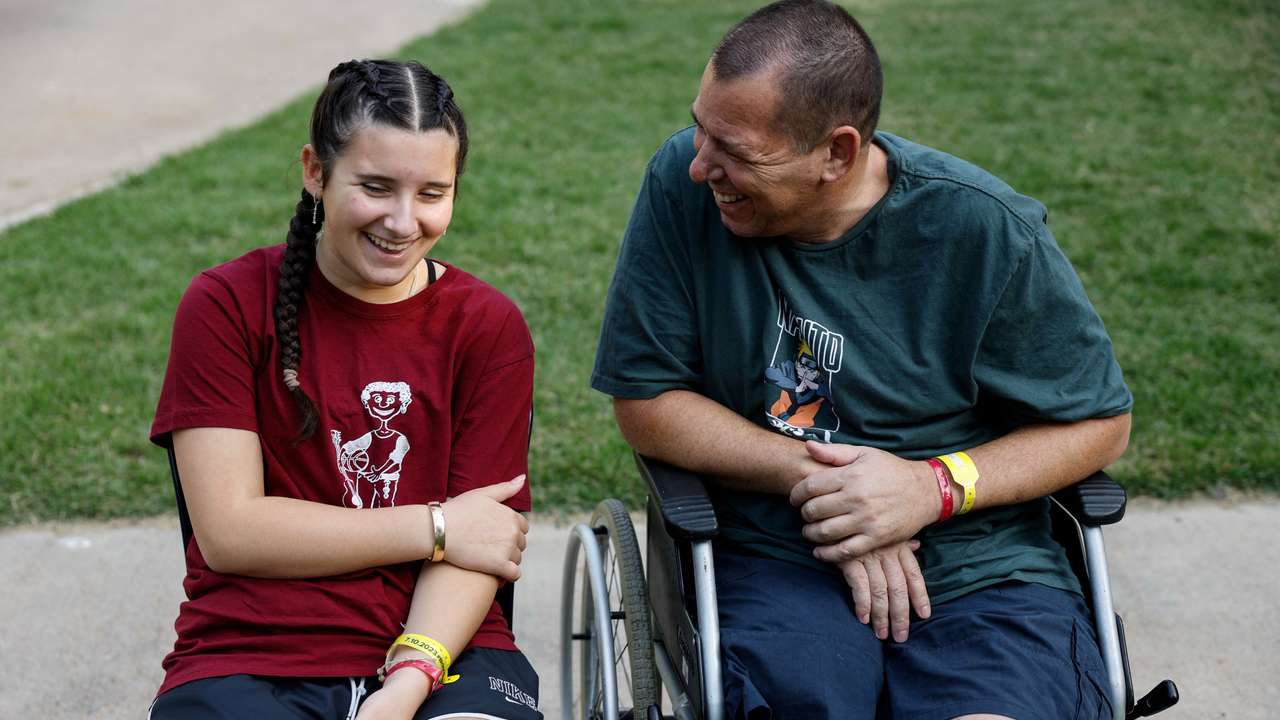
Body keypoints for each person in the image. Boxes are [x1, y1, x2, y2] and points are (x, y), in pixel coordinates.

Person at [591, 2, 1132, 718]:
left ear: (837, 154)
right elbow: (647, 400)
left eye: (738, 152)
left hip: (980, 567)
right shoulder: (681, 188)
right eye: (700, 127)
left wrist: (929, 488)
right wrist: (835, 492)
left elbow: (1099, 424)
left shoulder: (984, 231)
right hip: (775, 560)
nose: (700, 165)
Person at [148, 59, 541, 720]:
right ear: (314, 171)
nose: (402, 221)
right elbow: (231, 533)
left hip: (446, 648)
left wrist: (409, 680)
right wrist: (438, 525)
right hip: (254, 651)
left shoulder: (488, 326)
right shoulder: (225, 304)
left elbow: (485, 545)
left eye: (431, 193)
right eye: (377, 186)